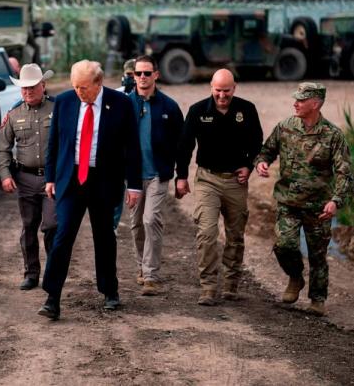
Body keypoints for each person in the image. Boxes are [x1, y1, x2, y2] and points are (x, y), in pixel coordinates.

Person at [38, 60, 142, 320]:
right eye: (75, 86)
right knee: (62, 236)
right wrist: (50, 177)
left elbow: (132, 147)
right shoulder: (65, 102)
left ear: (98, 83)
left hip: (104, 179)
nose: (79, 92)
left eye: (83, 87)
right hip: (71, 179)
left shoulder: (121, 104)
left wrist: (135, 185)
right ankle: (52, 297)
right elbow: (54, 143)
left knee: (104, 236)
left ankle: (110, 290)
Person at [254, 82, 352, 316]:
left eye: (301, 99)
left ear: (315, 104)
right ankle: (295, 277)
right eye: (295, 98)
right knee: (283, 245)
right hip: (288, 201)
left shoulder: (332, 136)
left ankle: (318, 299)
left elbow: (344, 172)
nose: (295, 103)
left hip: (319, 206)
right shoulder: (285, 127)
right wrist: (261, 163)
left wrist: (336, 201)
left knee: (318, 254)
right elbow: (266, 150)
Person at [176, 69, 262, 305]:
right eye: (218, 90)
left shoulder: (246, 109)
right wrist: (181, 177)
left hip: (236, 181)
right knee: (206, 232)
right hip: (207, 180)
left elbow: (256, 141)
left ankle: (231, 284)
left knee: (235, 235)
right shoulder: (197, 111)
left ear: (234, 88)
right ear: (211, 88)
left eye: (226, 91)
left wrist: (248, 166)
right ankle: (208, 287)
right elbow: (184, 146)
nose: (222, 95)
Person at [0, 64, 57, 290]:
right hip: (26, 178)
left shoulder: (57, 108)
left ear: (43, 85)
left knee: (51, 225)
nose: (28, 92)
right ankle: (31, 273)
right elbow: (2, 148)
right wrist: (4, 175)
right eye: (24, 89)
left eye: (32, 87)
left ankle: (53, 271)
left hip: (52, 179)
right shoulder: (14, 114)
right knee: (28, 226)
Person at [126, 56, 184, 296]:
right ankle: (141, 267)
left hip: (158, 176)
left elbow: (182, 144)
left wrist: (182, 175)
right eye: (138, 73)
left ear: (156, 75)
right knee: (137, 224)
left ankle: (151, 274)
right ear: (133, 76)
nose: (142, 77)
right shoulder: (125, 104)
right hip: (132, 177)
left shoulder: (169, 106)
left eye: (147, 73)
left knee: (152, 220)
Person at [112, 58, 137, 233]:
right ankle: (112, 224)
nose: (131, 78)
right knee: (116, 191)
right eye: (129, 74)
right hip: (118, 151)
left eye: (133, 74)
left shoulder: (145, 95)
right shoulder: (116, 94)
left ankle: (138, 224)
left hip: (136, 150)